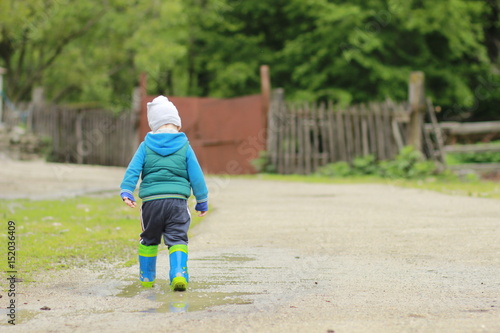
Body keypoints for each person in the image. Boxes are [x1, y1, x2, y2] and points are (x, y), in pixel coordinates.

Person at [120, 95, 208, 291]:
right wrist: (201, 200)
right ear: (177, 125)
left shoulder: (145, 145)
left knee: (149, 238)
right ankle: (178, 273)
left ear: (154, 126)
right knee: (177, 238)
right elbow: (197, 176)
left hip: (151, 203)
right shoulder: (185, 146)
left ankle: (146, 278)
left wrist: (127, 190)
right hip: (177, 203)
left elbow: (133, 170)